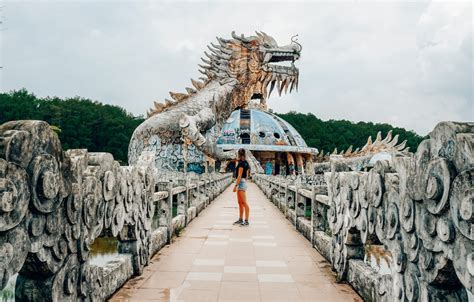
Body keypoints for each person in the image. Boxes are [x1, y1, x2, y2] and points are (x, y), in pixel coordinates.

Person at [233, 148, 250, 226]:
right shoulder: (246, 162)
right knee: (240, 202)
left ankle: (246, 221)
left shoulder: (241, 163)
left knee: (244, 203)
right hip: (243, 182)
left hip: (240, 183)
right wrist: (244, 181)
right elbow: (247, 175)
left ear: (239, 154)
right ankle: (240, 219)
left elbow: (239, 175)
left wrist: (235, 186)